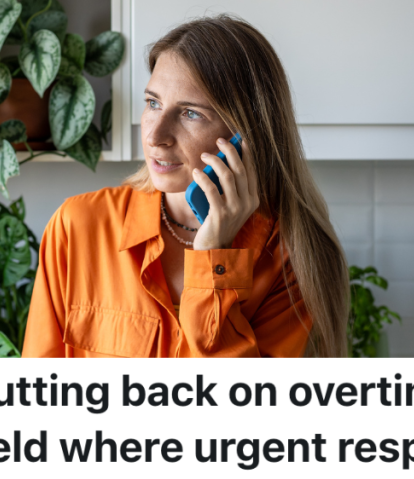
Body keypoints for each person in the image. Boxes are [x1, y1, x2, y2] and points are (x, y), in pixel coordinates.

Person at [22, 14, 348, 357]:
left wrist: (214, 258)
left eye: (190, 113)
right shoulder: (78, 226)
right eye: (153, 103)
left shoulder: (291, 257)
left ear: (246, 134)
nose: (154, 136)